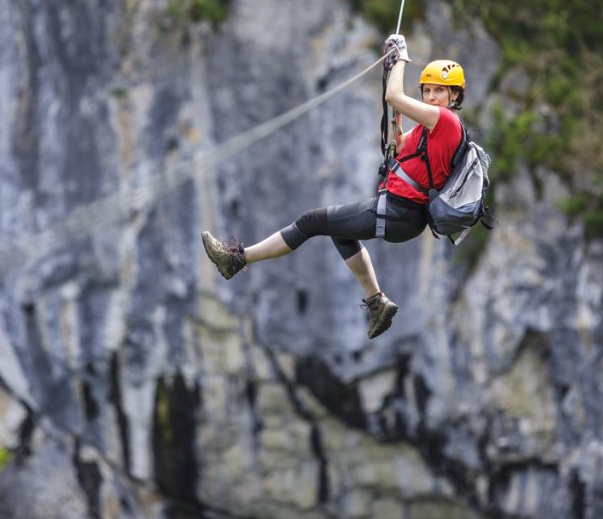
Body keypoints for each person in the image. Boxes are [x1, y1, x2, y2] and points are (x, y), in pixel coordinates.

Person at [200, 34, 467, 339]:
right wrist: (396, 119)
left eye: (440, 91)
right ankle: (377, 302)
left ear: (455, 96)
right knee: (340, 233)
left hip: (398, 211)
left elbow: (394, 96)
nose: (431, 97)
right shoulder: (430, 128)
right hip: (401, 214)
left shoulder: (445, 121)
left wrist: (400, 56)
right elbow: (399, 145)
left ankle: (236, 259)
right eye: (428, 90)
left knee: (311, 221)